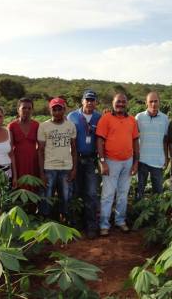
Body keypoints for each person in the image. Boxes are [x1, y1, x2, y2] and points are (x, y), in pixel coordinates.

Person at [96, 93, 139, 236]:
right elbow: (100, 141)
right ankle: (104, 224)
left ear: (127, 103)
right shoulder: (106, 118)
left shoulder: (132, 120)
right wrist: (102, 162)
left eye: (123, 102)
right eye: (118, 102)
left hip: (127, 161)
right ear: (113, 103)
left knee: (123, 194)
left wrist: (135, 163)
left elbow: (135, 141)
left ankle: (120, 221)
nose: (120, 104)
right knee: (108, 194)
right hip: (110, 161)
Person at [67, 90, 102, 238]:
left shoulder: (99, 117)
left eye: (92, 100)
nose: (90, 102)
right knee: (74, 192)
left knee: (92, 194)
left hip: (91, 160)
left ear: (96, 102)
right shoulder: (72, 116)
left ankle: (91, 226)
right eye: (87, 100)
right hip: (74, 159)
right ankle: (75, 225)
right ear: (82, 101)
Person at [38, 97, 77, 223]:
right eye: (54, 109)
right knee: (47, 197)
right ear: (50, 110)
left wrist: (74, 169)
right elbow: (40, 151)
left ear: (64, 110)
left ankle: (64, 221)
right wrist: (41, 173)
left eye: (60, 109)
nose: (57, 112)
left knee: (65, 197)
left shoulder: (70, 126)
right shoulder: (44, 126)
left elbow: (74, 149)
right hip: (49, 167)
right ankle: (46, 222)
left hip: (66, 167)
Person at [135, 92, 169, 200]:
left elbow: (165, 140)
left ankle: (157, 214)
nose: (153, 104)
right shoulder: (139, 117)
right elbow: (134, 139)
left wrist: (166, 156)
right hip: (142, 160)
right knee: (139, 190)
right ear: (146, 103)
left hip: (157, 160)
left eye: (155, 101)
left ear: (159, 102)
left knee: (158, 191)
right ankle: (139, 213)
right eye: (151, 101)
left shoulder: (164, 118)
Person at [8, 98, 40, 189]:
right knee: (19, 187)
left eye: (29, 108)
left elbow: (41, 147)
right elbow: (10, 150)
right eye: (24, 108)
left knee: (33, 188)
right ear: (18, 109)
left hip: (33, 161)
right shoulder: (12, 126)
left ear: (32, 110)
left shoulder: (36, 125)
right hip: (18, 162)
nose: (27, 110)